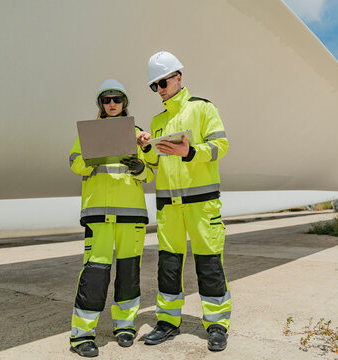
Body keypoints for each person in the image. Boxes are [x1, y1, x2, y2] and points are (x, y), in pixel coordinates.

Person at [136, 51, 231, 352]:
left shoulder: (203, 108)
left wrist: (190, 152)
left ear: (178, 76)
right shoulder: (158, 120)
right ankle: (167, 322)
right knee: (169, 266)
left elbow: (220, 146)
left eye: (163, 82)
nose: (160, 90)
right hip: (169, 207)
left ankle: (216, 325)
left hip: (202, 205)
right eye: (155, 86)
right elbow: (154, 166)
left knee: (209, 264)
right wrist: (147, 147)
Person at [68, 79, 154, 357]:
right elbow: (74, 163)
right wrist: (93, 159)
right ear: (101, 105)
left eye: (117, 99)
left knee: (129, 274)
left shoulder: (138, 134)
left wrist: (141, 165)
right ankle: (82, 335)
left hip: (131, 215)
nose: (112, 103)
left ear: (124, 102)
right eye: (107, 100)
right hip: (99, 215)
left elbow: (151, 174)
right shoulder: (88, 134)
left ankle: (125, 327)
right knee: (95, 274)